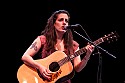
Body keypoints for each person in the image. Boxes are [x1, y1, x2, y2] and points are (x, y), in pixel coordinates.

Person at [20, 9, 95, 83]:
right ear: (54, 23)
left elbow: (78, 68)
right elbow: (25, 57)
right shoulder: (42, 39)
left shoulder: (73, 45)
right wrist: (40, 67)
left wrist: (87, 55)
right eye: (61, 20)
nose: (64, 23)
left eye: (66, 21)